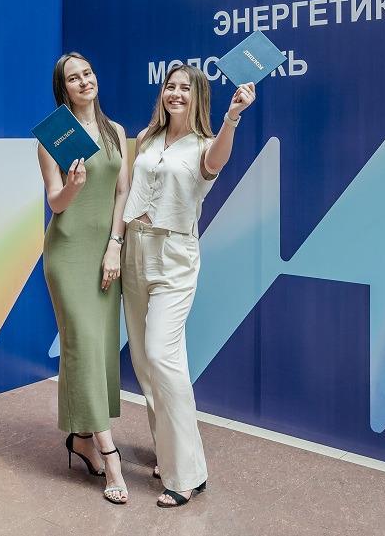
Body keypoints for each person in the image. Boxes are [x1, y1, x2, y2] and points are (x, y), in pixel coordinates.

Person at [121, 64, 256, 507]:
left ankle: (188, 475)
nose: (175, 93)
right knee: (145, 362)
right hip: (134, 247)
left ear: (198, 97)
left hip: (174, 256)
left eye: (184, 88)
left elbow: (216, 162)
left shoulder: (205, 145)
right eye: (170, 86)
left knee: (162, 355)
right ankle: (170, 455)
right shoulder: (147, 137)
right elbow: (127, 191)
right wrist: (115, 244)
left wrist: (232, 117)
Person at [38, 52, 131, 504]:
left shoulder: (116, 132)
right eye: (73, 78)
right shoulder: (53, 138)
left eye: (88, 73)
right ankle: (109, 454)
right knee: (83, 346)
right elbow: (55, 202)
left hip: (104, 251)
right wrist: (71, 187)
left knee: (99, 347)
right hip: (67, 252)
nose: (84, 82)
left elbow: (123, 191)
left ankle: (79, 439)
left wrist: (115, 244)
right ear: (64, 89)